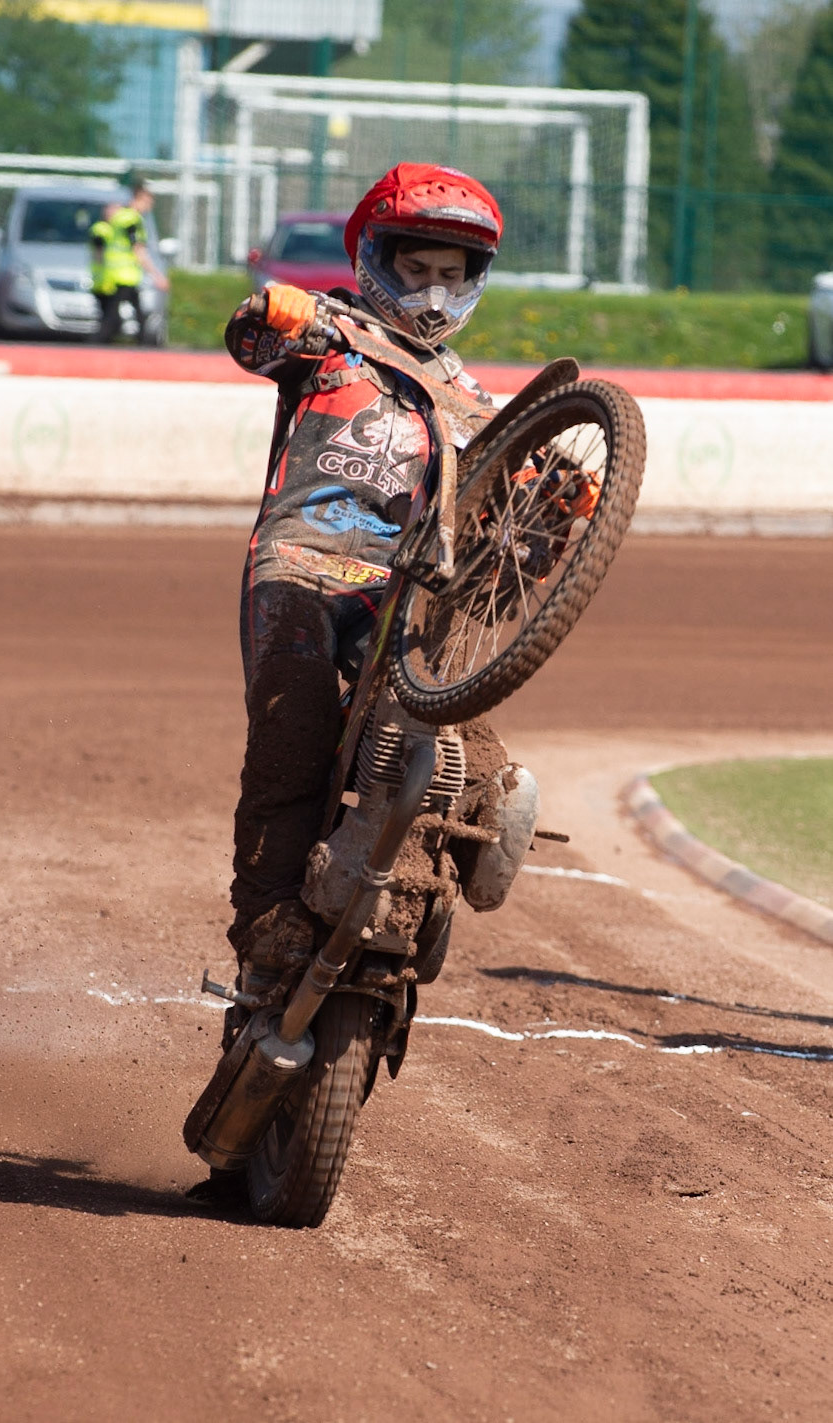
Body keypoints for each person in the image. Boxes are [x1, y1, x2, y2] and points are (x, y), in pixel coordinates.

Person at [223, 162, 525, 1016]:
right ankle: (266, 922)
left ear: (474, 280)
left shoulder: (472, 399)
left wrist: (551, 508)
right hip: (301, 563)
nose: (432, 291)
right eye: (415, 268)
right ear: (372, 261)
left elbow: (509, 543)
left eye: (451, 274)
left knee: (456, 733)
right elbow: (251, 338)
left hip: (402, 592)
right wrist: (277, 310)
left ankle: (452, 846)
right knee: (293, 727)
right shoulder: (332, 337)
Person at [89, 179, 169, 344]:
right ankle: (93, 347)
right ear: (140, 198)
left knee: (135, 315)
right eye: (148, 202)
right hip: (124, 275)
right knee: (112, 320)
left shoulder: (119, 217)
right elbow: (138, 250)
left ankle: (145, 344)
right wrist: (156, 275)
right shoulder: (131, 220)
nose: (149, 207)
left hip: (116, 274)